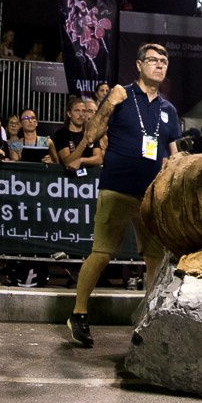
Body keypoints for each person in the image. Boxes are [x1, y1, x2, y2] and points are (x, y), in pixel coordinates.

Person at [67, 42, 179, 348]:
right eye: (153, 60)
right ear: (139, 65)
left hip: (151, 196)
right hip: (116, 187)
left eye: (164, 61)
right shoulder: (122, 94)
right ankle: (78, 314)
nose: (160, 64)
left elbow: (174, 155)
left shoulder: (168, 110)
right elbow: (91, 136)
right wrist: (108, 104)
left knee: (155, 258)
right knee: (102, 253)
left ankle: (150, 319)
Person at [50, 97, 102, 174]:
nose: (81, 114)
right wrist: (84, 142)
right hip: (66, 181)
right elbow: (68, 162)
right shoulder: (61, 134)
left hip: (89, 180)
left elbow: (99, 159)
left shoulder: (90, 132)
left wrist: (81, 160)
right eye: (77, 110)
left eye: (84, 111)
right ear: (69, 113)